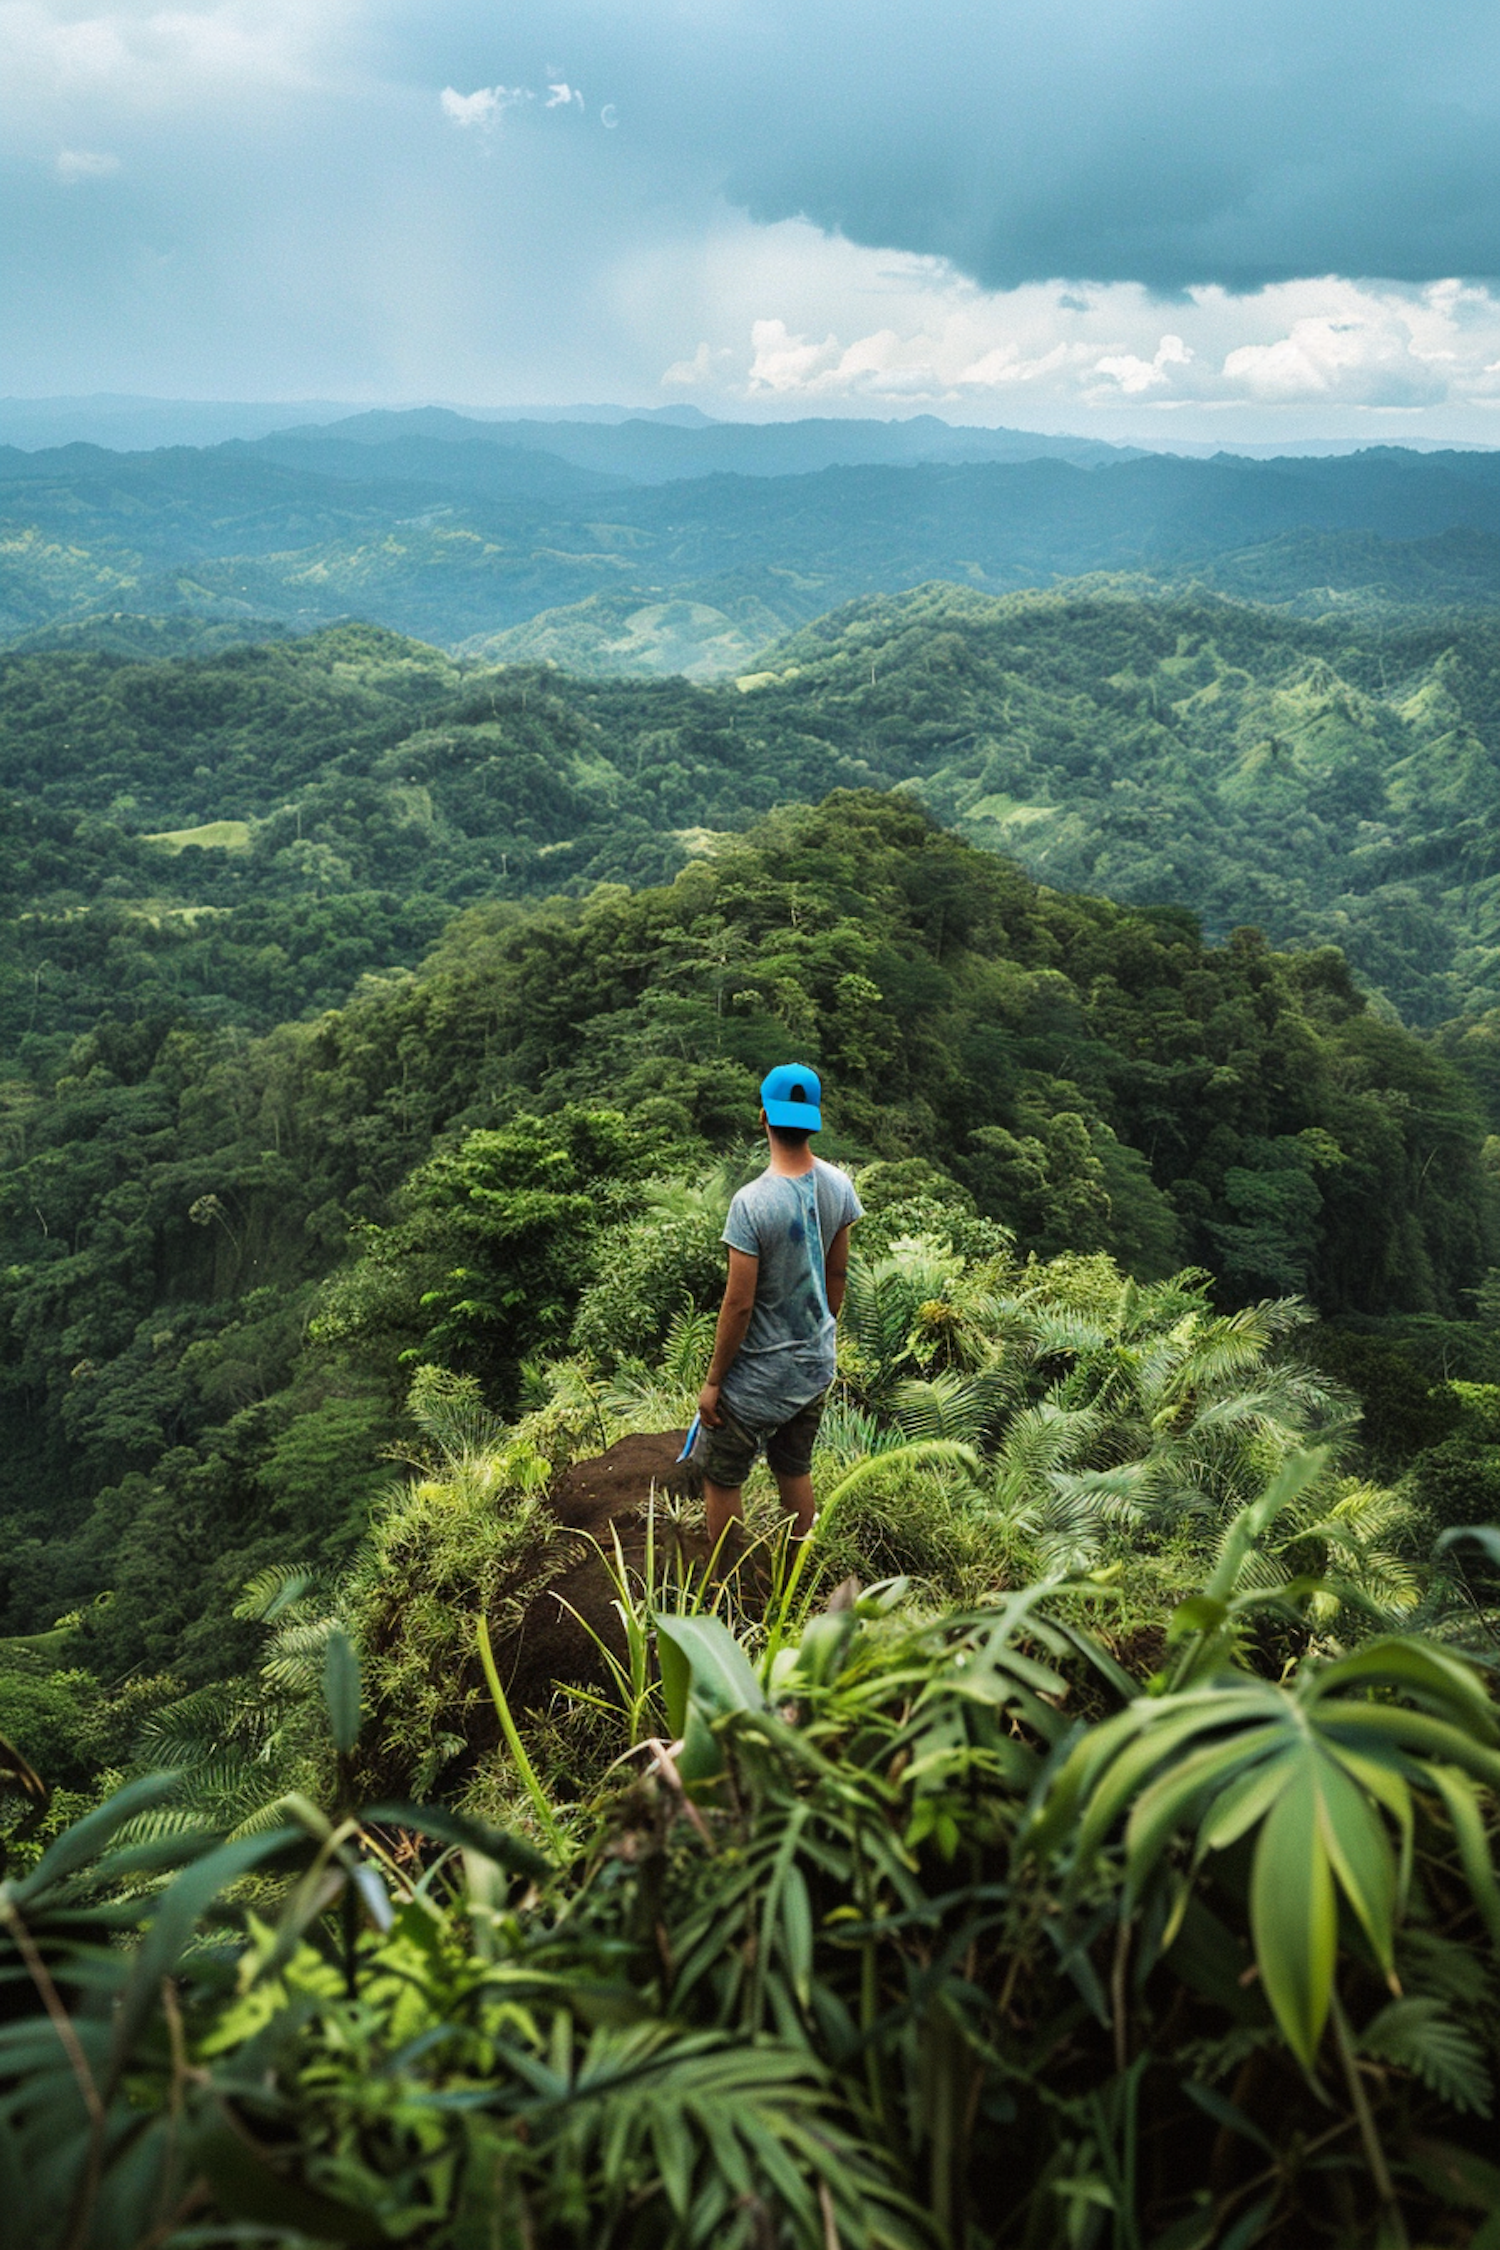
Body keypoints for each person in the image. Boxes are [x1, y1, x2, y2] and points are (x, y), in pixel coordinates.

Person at [693, 1062, 863, 1554]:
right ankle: (796, 1582)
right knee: (794, 1468)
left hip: (756, 1380)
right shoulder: (839, 1186)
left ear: (763, 1116)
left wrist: (713, 1383)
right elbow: (837, 1275)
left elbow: (739, 1304)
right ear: (813, 1117)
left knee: (722, 1476)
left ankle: (733, 1590)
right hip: (814, 1365)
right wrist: (821, 1332)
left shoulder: (751, 1204)